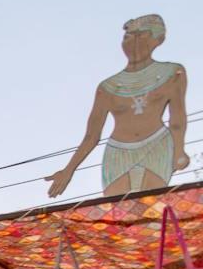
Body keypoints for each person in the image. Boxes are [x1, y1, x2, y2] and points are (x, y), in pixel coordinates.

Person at [48, 14, 189, 197]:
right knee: (119, 214)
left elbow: (177, 117)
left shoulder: (171, 72)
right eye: (129, 36)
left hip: (157, 145)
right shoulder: (108, 87)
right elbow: (91, 136)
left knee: (151, 211)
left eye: (142, 35)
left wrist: (179, 150)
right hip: (118, 152)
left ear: (157, 39)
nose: (134, 42)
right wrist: (69, 170)